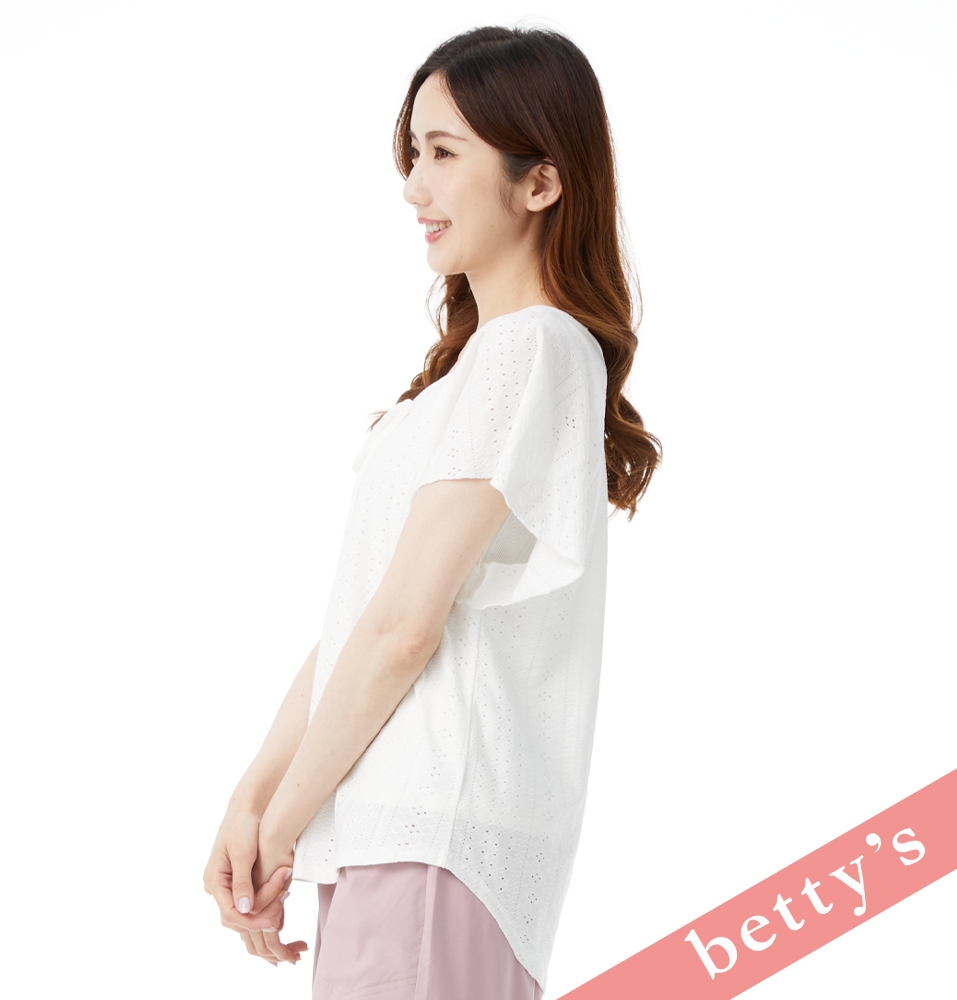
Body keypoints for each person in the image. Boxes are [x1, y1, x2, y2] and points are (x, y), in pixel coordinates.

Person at [202, 24, 661, 999]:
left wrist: (279, 826)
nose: (413, 186)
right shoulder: (472, 373)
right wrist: (254, 798)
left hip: (431, 833)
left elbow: (402, 630)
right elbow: (363, 620)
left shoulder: (532, 348)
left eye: (444, 153)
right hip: (402, 835)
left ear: (541, 182)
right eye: (412, 153)